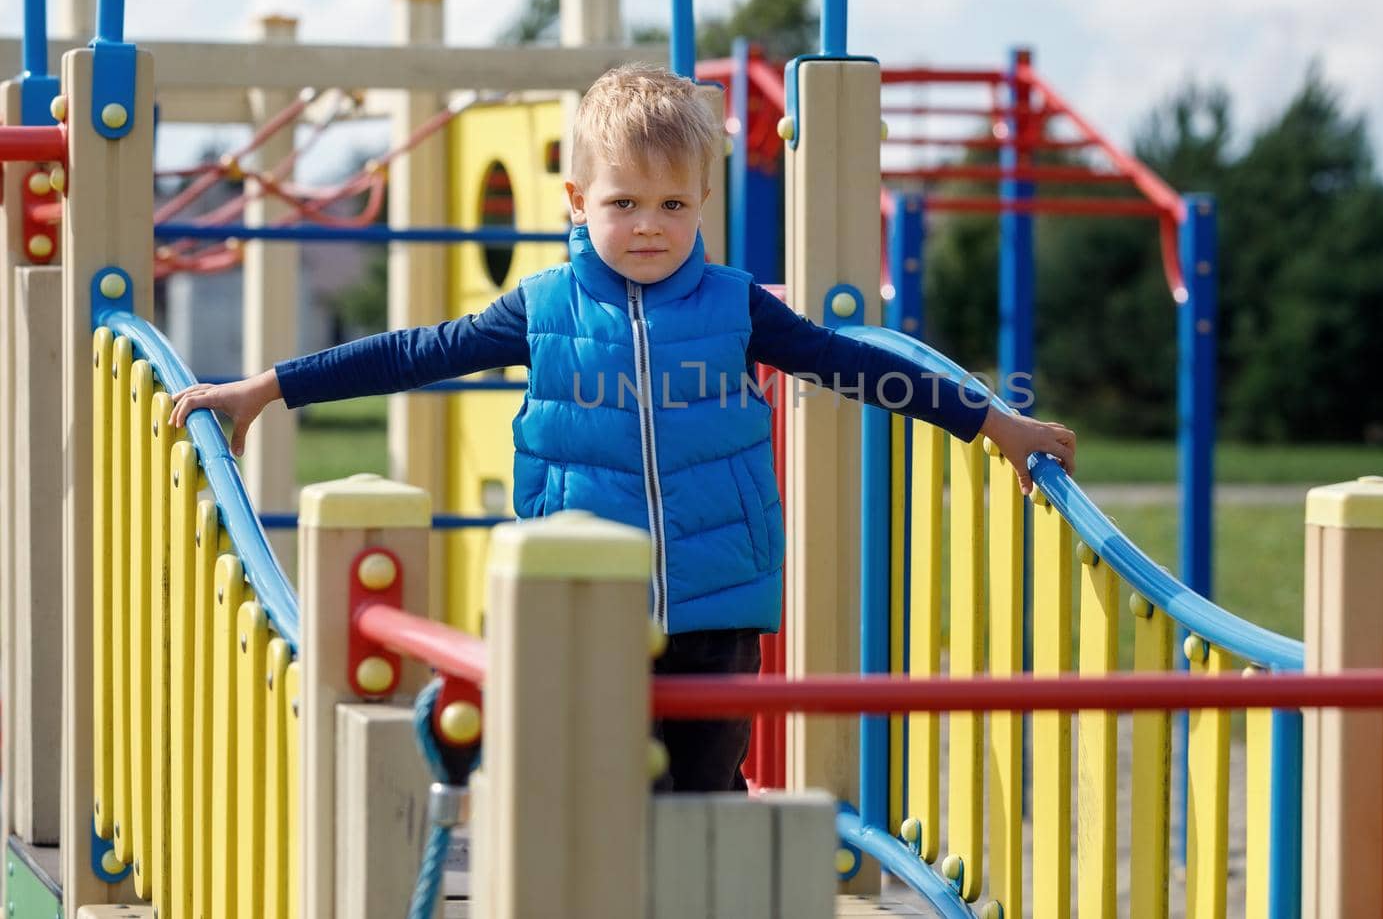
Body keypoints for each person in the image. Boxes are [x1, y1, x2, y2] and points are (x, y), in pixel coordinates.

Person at [170, 63, 1076, 792]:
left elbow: (860, 367)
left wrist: (993, 423)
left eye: (674, 206)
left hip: (717, 605)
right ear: (576, 200)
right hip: (583, 601)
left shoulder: (736, 307)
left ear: (703, 206)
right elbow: (410, 351)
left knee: (702, 793)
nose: (649, 226)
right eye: (624, 203)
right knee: (589, 793)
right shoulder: (542, 308)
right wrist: (265, 388)